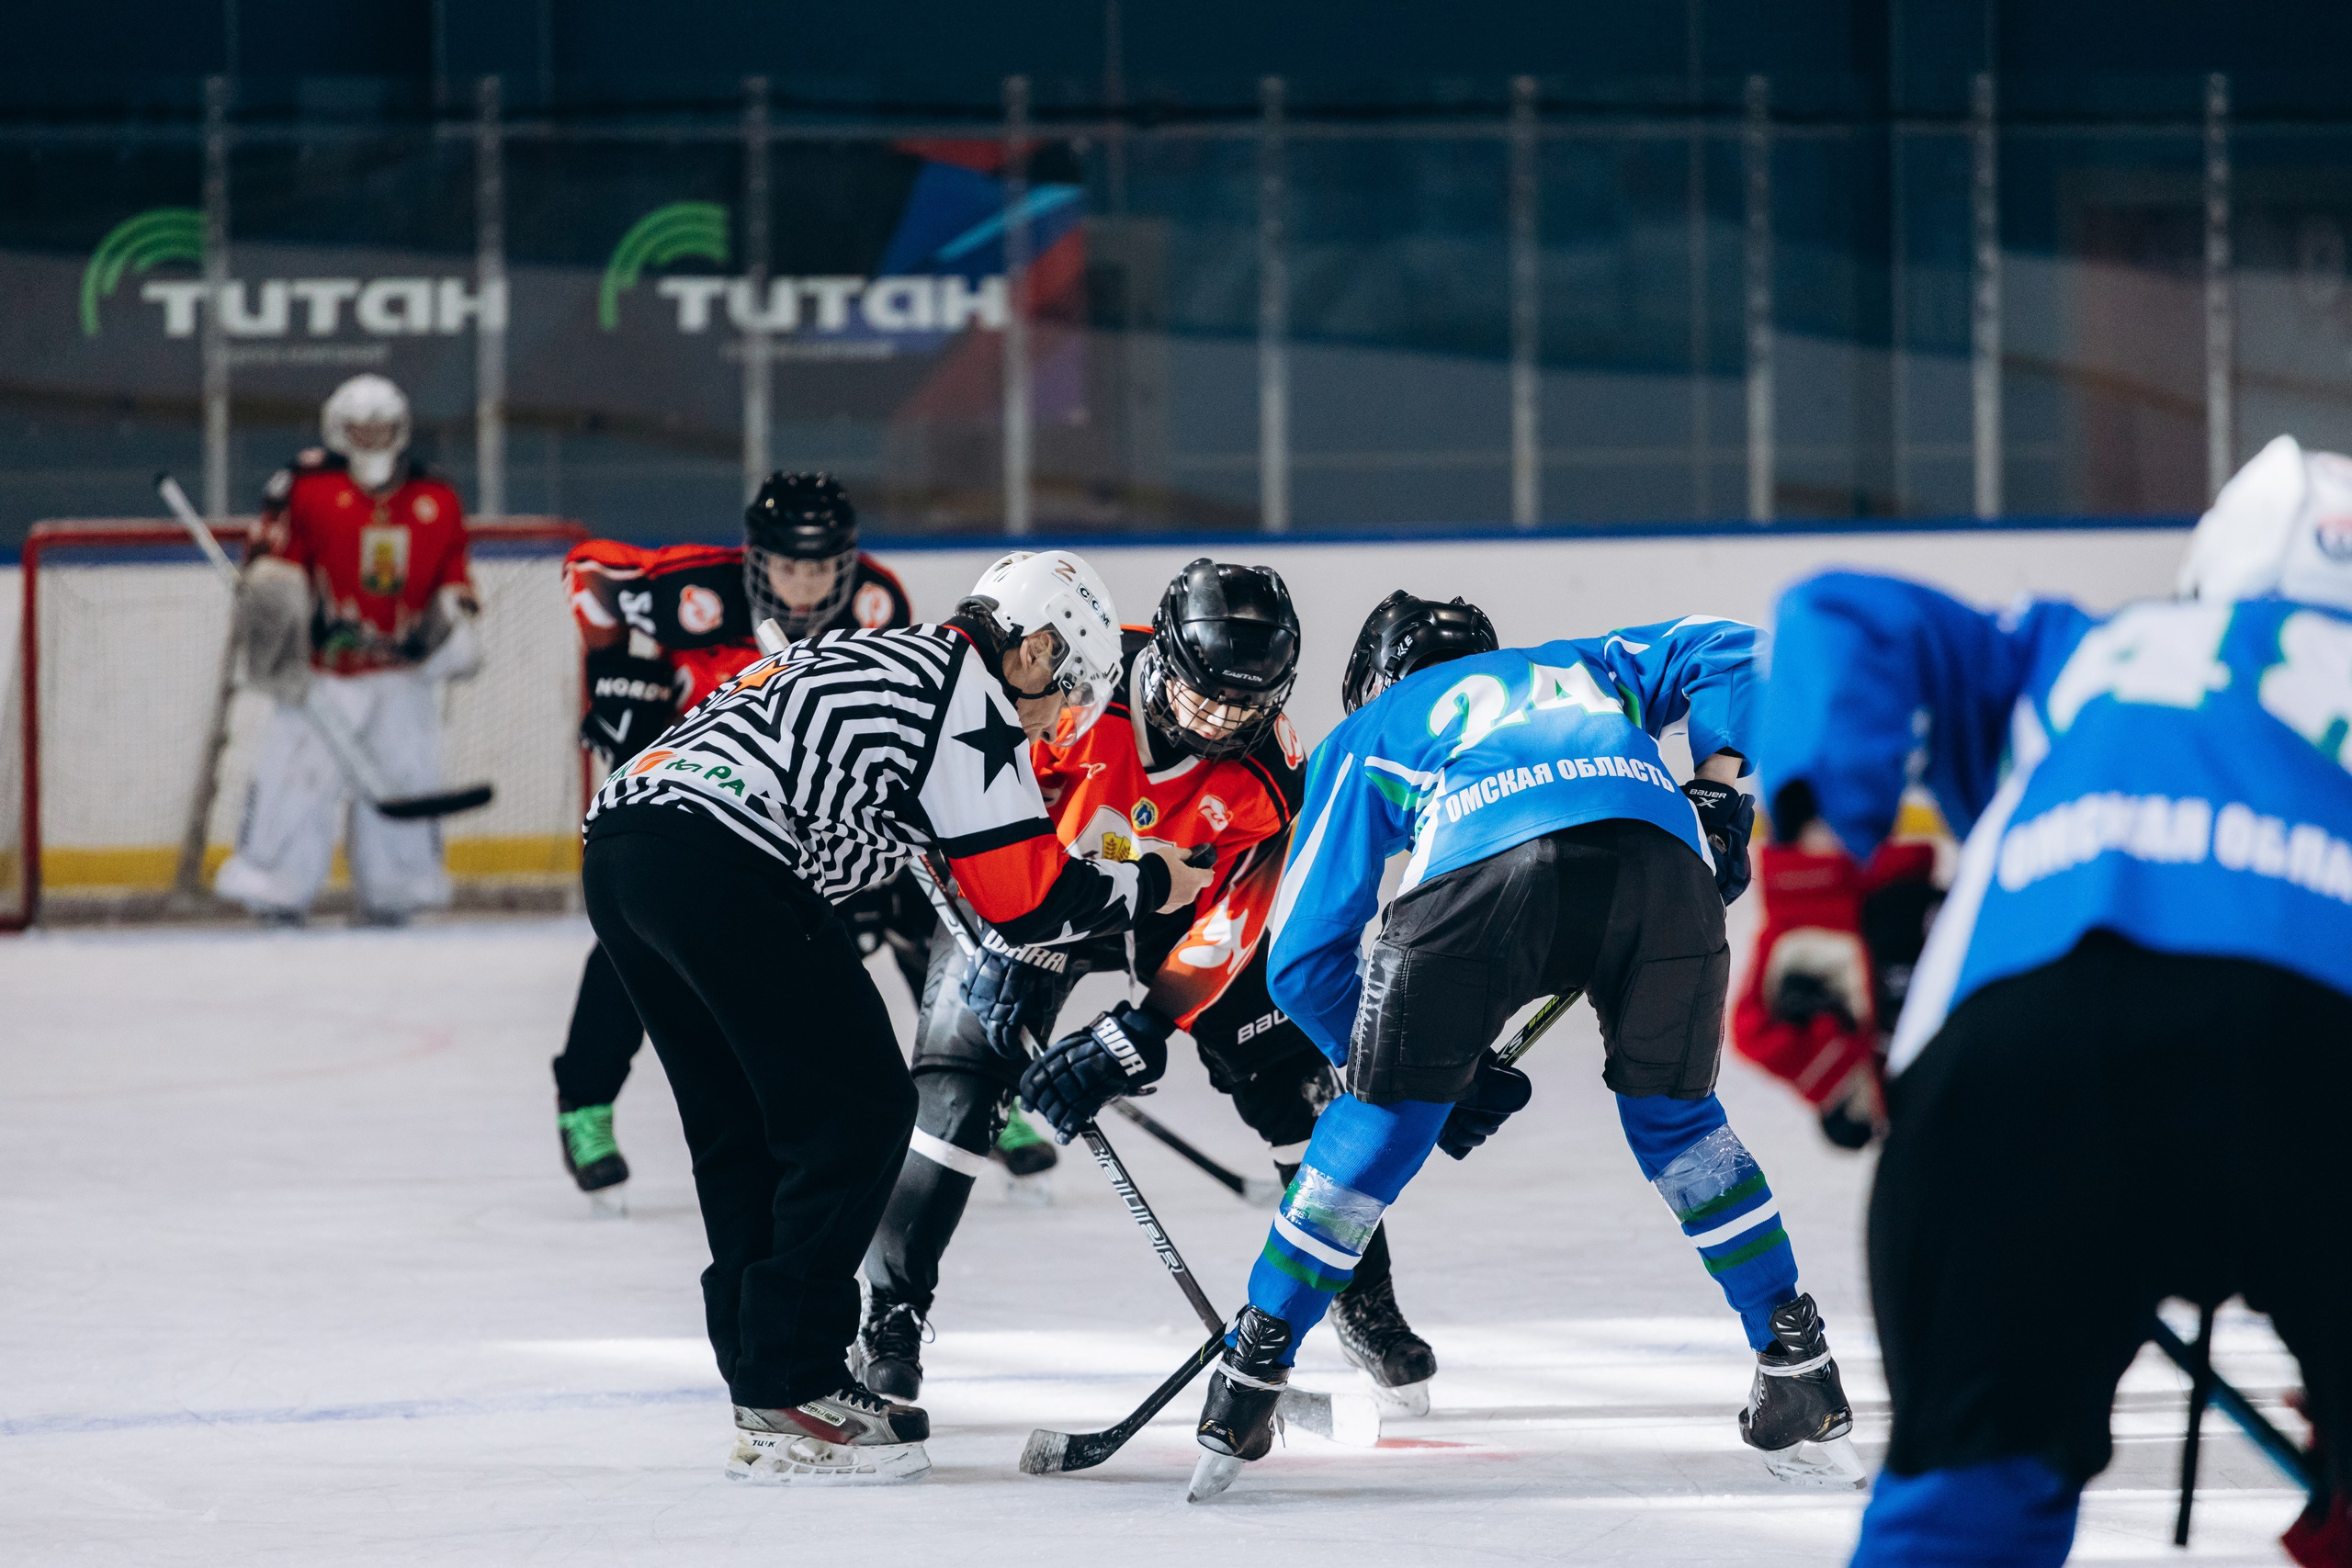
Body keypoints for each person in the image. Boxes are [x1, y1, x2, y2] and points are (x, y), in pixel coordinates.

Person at [1756, 434, 2352, 1567]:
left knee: (1961, 1507)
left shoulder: (2082, 649)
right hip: (2320, 1041)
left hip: (2021, 1048)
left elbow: (1847, 616)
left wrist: (1814, 888)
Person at [1184, 591, 1861, 1503]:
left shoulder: (1373, 727)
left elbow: (1300, 960)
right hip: (1664, 866)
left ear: (1373, 678)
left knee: (1376, 1127)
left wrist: (1405, 1069)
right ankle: (1797, 1363)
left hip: (1479, 878)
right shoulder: (1584, 665)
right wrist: (1716, 789)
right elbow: (1737, 648)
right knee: (1680, 1125)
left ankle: (1249, 1378)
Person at [580, 547, 1216, 1484]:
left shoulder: (885, 658)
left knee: (742, 1125)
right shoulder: (969, 693)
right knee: (861, 1111)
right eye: (1064, 693)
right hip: (724, 858)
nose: (1054, 724)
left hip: (624, 849)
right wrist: (1150, 883)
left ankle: (764, 1382)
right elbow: (1027, 898)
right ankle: (797, 1381)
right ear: (1034, 650)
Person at [854, 559, 1442, 1414]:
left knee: (1289, 1079)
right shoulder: (1075, 686)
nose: (1220, 722)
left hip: (1178, 903)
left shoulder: (1272, 770)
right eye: (1206, 696)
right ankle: (891, 1313)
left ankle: (1364, 1297)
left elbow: (1238, 915)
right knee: (958, 1084)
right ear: (1163, 655)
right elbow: (971, 815)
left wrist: (1147, 1023)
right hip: (1044, 893)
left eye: (1245, 705)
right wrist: (1005, 938)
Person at [551, 471, 978, 1209]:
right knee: (637, 940)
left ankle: (978, 1088)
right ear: (755, 559)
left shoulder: (877, 601)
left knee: (927, 919)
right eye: (789, 566)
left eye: (822, 567)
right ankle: (585, 1102)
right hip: (698, 799)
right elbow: (588, 572)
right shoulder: (691, 590)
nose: (806, 587)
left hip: (810, 812)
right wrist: (613, 675)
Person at [215, 373, 482, 926]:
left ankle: (396, 893)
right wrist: (274, 622)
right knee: (297, 780)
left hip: (403, 677)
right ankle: (276, 891)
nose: (371, 439)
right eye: (359, 429)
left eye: (381, 428)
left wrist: (456, 623)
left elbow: (454, 574)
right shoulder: (305, 488)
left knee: (405, 778)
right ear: (337, 430)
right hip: (323, 675)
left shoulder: (436, 497)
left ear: (401, 430)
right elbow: (273, 567)